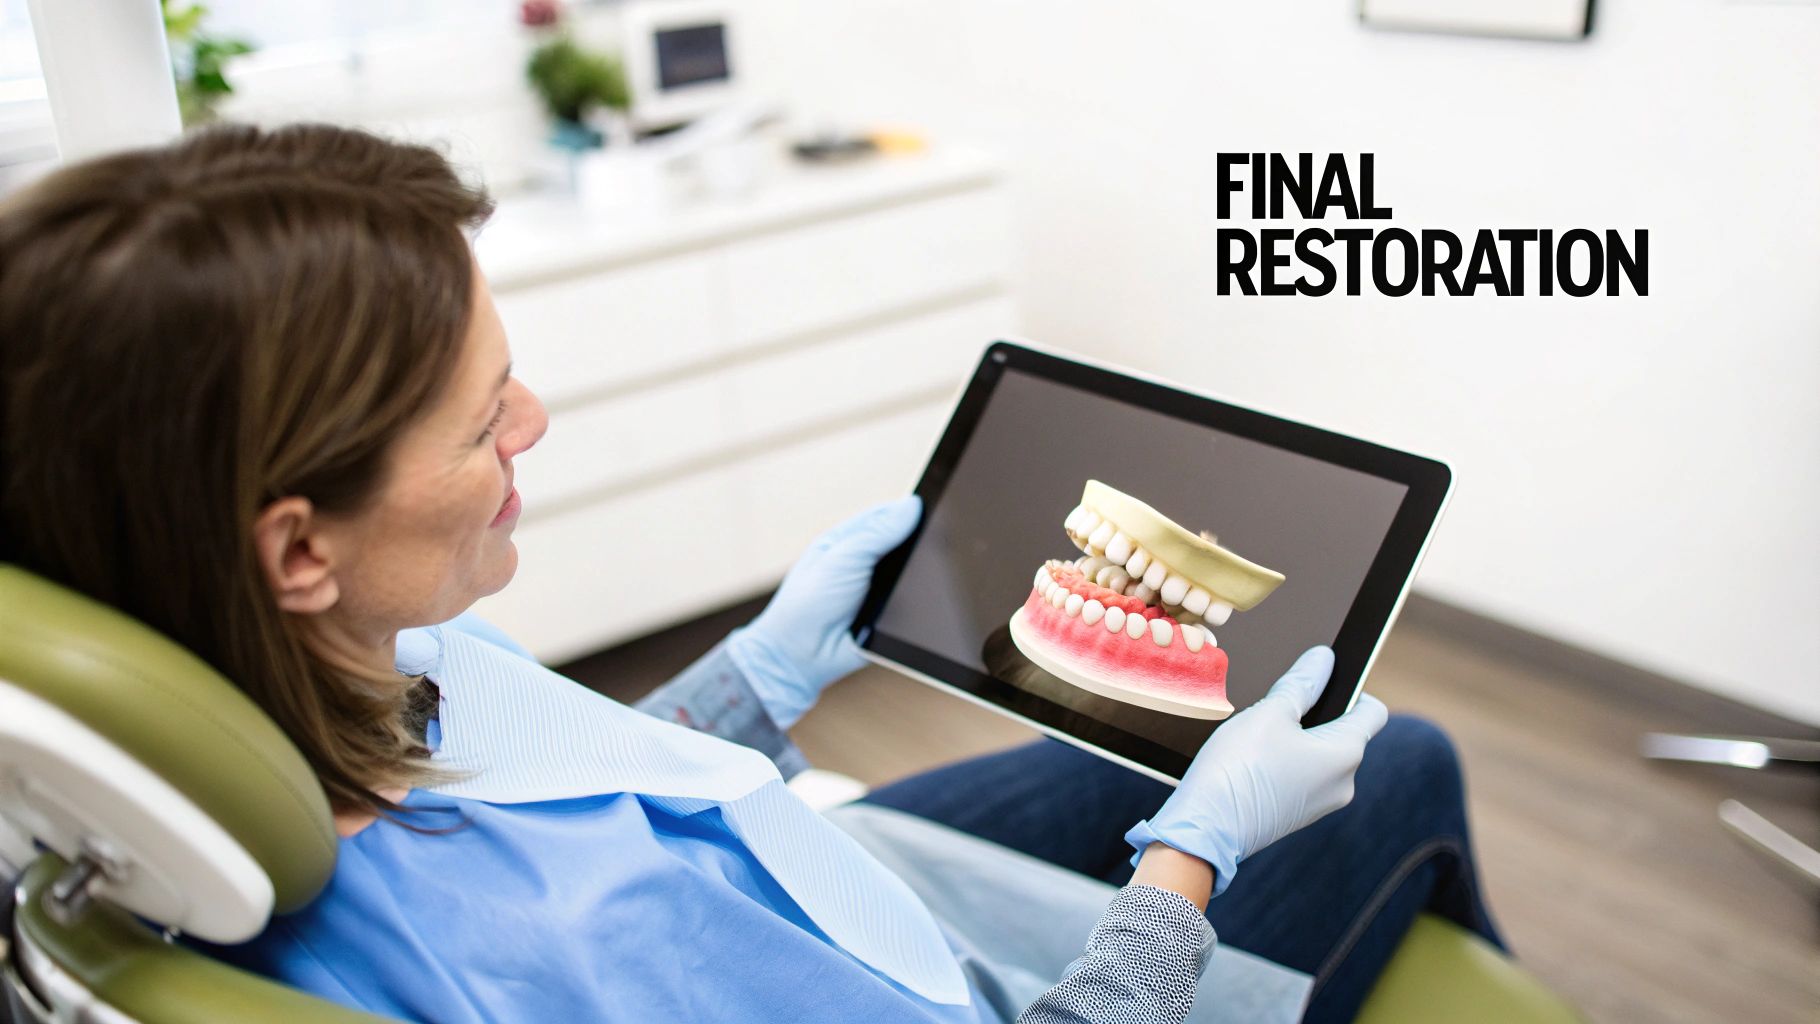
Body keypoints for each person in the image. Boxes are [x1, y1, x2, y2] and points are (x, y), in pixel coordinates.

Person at [0, 123, 1502, 1023]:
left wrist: (762, 677)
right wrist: (1189, 866)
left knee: (1228, 755)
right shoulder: (547, 950)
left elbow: (575, 803)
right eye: (480, 416)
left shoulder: (312, 674)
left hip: (813, 880)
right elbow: (590, 899)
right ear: (297, 545)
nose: (534, 423)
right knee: (1401, 762)